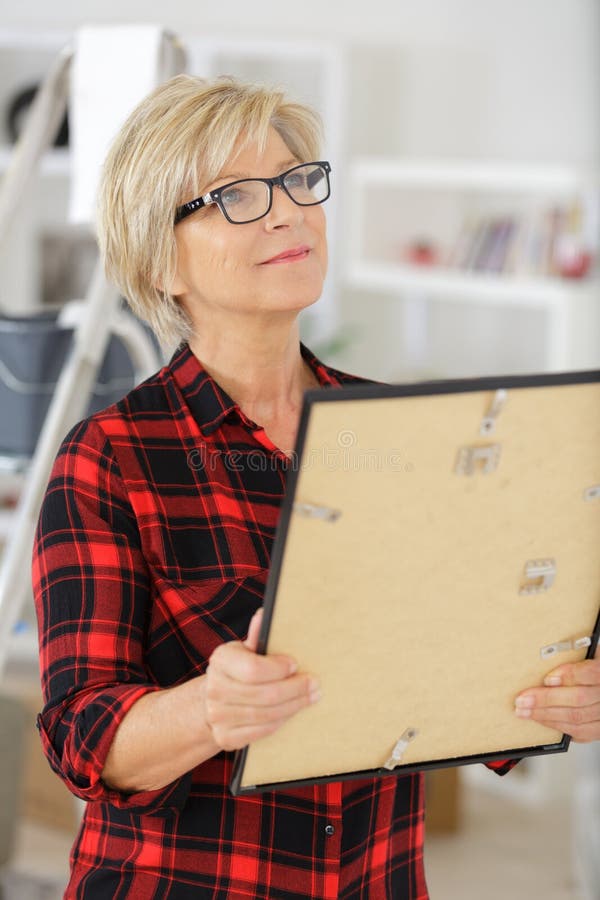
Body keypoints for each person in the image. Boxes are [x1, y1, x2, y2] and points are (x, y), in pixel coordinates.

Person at [32, 74, 600, 900]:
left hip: (378, 878)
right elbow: (80, 737)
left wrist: (559, 689)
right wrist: (211, 708)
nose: (288, 211)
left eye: (298, 180)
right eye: (235, 196)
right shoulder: (110, 457)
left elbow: (456, 654)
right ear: (160, 260)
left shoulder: (401, 431)